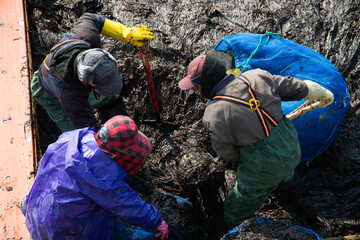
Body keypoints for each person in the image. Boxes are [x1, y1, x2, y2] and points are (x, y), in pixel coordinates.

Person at [178, 50, 334, 228]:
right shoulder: (256, 76)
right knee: (285, 173)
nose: (195, 90)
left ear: (206, 81)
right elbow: (292, 87)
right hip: (290, 145)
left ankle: (229, 228)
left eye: (196, 85)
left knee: (240, 203)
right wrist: (318, 92)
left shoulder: (213, 114)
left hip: (262, 168)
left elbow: (226, 152)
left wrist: (243, 158)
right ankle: (285, 190)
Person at [21, 115, 169, 240]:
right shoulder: (102, 178)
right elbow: (125, 204)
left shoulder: (71, 139)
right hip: (64, 233)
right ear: (117, 154)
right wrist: (157, 221)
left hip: (34, 215)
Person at [31, 13, 154, 132]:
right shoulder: (71, 96)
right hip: (47, 92)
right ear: (86, 82)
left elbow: (93, 18)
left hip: (73, 83)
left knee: (110, 95)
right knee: (77, 136)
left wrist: (126, 32)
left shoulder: (85, 36)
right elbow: (89, 130)